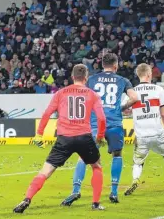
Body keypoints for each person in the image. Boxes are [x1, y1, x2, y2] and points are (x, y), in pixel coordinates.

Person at [13, 64, 107, 213]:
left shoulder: (61, 93)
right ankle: (95, 204)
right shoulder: (92, 94)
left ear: (72, 76)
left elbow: (47, 113)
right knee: (96, 166)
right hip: (84, 137)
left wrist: (39, 133)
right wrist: (100, 136)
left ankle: (27, 199)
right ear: (86, 78)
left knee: (46, 171)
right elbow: (101, 119)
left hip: (64, 138)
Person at [62, 53, 140, 205]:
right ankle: (114, 192)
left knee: (83, 157)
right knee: (117, 155)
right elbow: (135, 97)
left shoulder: (91, 79)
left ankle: (76, 190)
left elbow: (81, 98)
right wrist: (122, 107)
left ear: (102, 65)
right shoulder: (122, 80)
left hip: (94, 124)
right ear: (116, 65)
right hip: (114, 124)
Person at [121, 63, 164, 195]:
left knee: (138, 161)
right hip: (157, 133)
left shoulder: (132, 91)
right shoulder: (158, 89)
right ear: (149, 74)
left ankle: (135, 179)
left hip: (141, 136)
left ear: (138, 75)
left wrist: (132, 112)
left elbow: (125, 110)